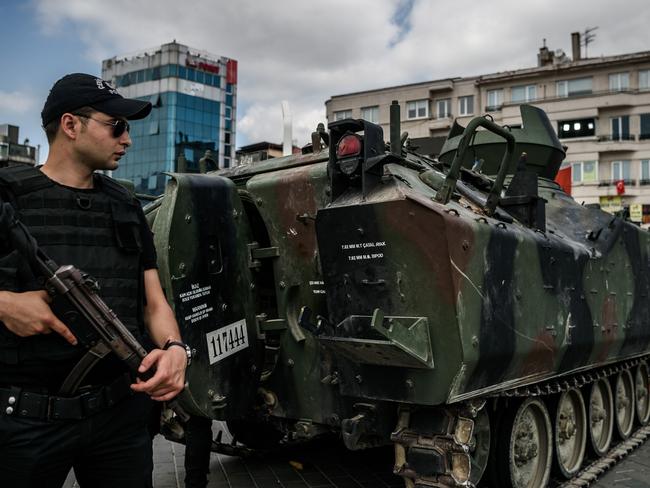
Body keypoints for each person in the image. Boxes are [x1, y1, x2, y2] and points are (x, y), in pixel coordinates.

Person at [0, 73, 191, 488]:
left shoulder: (125, 205)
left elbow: (153, 302)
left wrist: (175, 349)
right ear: (71, 125)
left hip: (118, 417)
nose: (128, 140)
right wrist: (5, 304)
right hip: (26, 423)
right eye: (116, 126)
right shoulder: (8, 198)